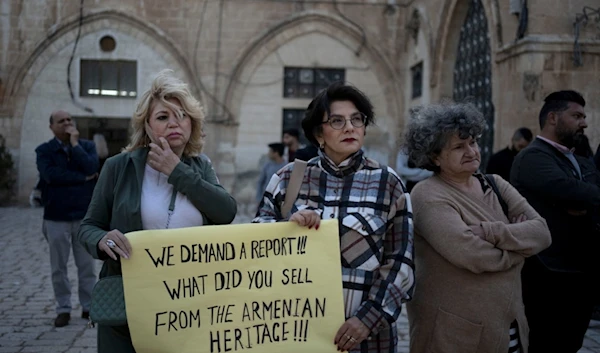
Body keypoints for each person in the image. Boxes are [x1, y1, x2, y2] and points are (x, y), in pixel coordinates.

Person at [78, 69, 237, 352]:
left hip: (191, 305)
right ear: (148, 126)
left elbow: (226, 212)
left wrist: (177, 171)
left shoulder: (201, 166)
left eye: (182, 116)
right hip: (130, 302)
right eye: (163, 117)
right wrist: (102, 240)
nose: (174, 123)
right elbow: (89, 226)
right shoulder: (118, 167)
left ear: (192, 123)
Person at [254, 82, 415, 353]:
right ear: (319, 133)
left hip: (368, 340)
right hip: (297, 334)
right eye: (337, 121)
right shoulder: (287, 179)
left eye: (357, 120)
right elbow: (257, 241)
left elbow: (401, 262)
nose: (350, 127)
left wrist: (366, 320)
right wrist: (286, 228)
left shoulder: (389, 183)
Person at [404, 102, 551, 353]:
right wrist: (520, 248)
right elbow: (472, 255)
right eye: (459, 147)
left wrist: (493, 233)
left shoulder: (495, 184)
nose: (471, 151)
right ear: (434, 156)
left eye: (472, 142)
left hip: (509, 327)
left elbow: (542, 233)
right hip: (454, 334)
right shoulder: (427, 195)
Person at [511, 90, 600, 353]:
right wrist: (580, 198)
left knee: (570, 343)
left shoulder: (577, 158)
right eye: (576, 116)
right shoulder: (533, 157)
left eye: (583, 116)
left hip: (579, 272)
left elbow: (590, 190)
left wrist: (583, 199)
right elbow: (575, 191)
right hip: (547, 275)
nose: (584, 122)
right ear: (552, 117)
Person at [35, 110, 99, 327]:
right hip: (56, 216)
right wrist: (82, 178)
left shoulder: (86, 147)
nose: (67, 123)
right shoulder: (44, 151)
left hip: (83, 217)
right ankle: (63, 308)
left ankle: (89, 307)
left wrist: (75, 145)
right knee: (58, 267)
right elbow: (51, 176)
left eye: (69, 120)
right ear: (51, 126)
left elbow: (92, 167)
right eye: (61, 121)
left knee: (87, 266)